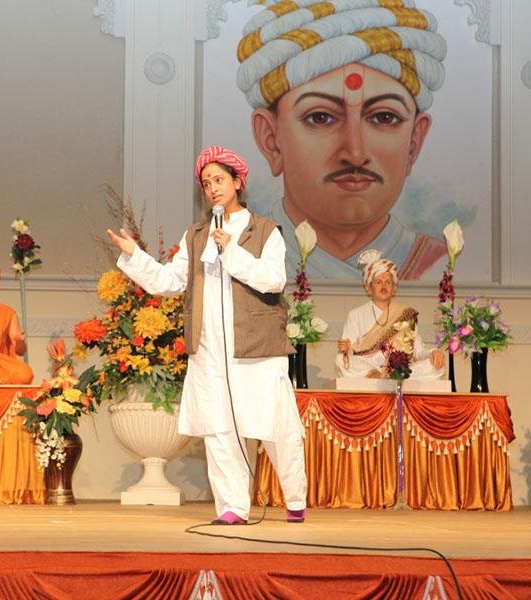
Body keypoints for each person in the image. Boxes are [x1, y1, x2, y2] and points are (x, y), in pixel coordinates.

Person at [108, 146, 307, 525]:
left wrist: (232, 251)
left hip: (257, 348)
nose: (212, 188)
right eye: (206, 183)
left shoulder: (266, 231)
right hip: (209, 349)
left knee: (274, 426)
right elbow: (168, 281)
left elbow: (274, 279)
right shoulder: (196, 235)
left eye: (219, 180)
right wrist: (135, 256)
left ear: (238, 182)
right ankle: (232, 507)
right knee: (219, 428)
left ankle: (295, 497)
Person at [237, 0, 448, 279]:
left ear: (414, 143)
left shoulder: (439, 265)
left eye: (384, 117)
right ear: (271, 140)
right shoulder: (240, 256)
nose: (355, 153)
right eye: (320, 117)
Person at [336, 249, 445, 380]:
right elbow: (349, 352)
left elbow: (418, 350)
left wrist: (433, 353)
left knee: (435, 366)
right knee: (340, 360)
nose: (384, 286)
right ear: (368, 288)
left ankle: (393, 377)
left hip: (399, 369)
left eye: (388, 282)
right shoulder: (355, 315)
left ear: (394, 288)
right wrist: (346, 349)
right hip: (368, 369)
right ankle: (377, 377)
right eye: (378, 282)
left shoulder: (405, 314)